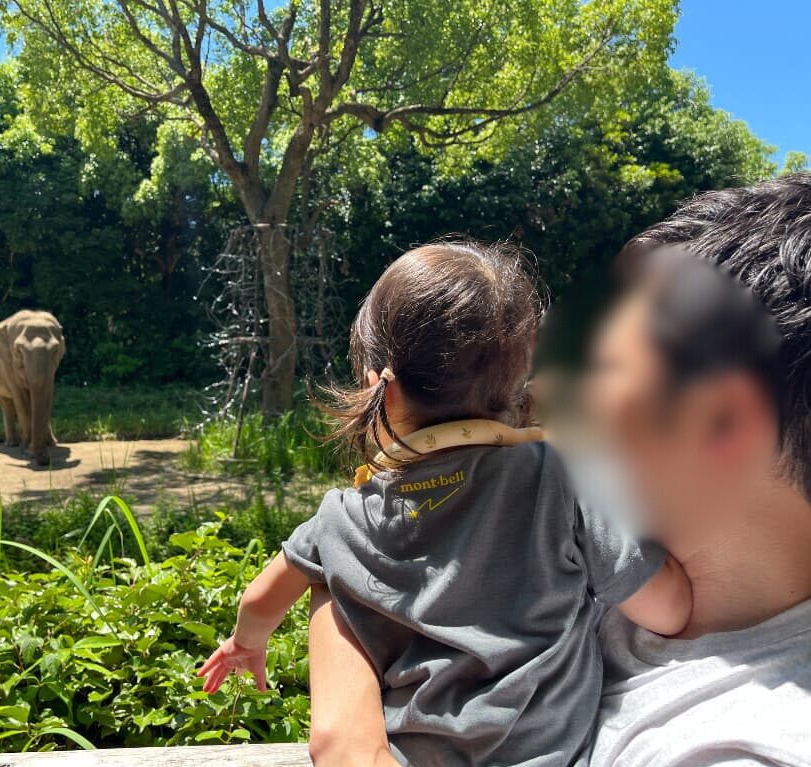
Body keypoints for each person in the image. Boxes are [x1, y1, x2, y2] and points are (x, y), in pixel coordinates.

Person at [306, 175, 811, 767]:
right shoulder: (594, 569)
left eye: (602, 364)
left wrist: (339, 587)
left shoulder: (741, 746)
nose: (541, 389)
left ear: (718, 420)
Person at [197, 241, 692, 767]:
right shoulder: (559, 476)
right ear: (518, 380)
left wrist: (244, 645)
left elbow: (259, 600)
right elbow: (668, 608)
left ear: (379, 388)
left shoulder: (343, 516)